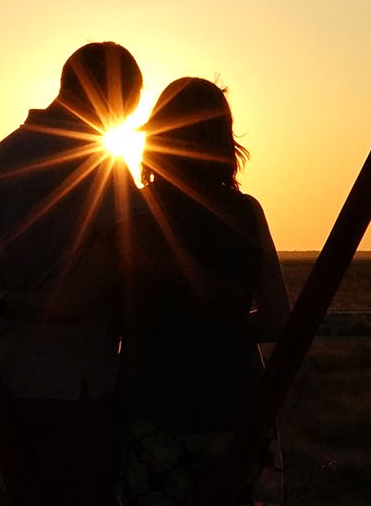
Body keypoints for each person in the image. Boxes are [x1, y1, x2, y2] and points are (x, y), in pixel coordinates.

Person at [0, 41, 142, 506]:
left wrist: (6, 319)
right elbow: (136, 262)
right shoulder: (104, 166)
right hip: (79, 387)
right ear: (112, 101)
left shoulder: (3, 155)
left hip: (6, 378)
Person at [118, 77, 289, 506]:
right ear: (224, 140)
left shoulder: (133, 210)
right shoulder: (246, 213)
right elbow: (277, 319)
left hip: (154, 409)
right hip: (237, 410)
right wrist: (229, 325)